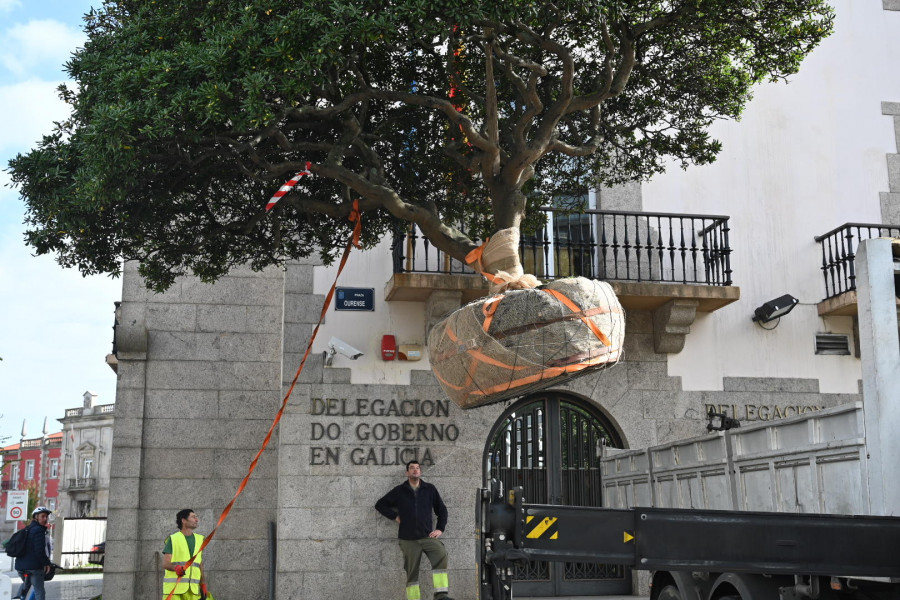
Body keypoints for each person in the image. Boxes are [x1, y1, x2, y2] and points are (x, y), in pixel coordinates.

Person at [376, 461, 453, 600]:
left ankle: (441, 595)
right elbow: (380, 504)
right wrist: (395, 516)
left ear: (420, 472)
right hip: (408, 539)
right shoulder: (399, 491)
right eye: (412, 468)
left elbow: (442, 510)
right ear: (407, 473)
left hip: (427, 536)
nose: (415, 470)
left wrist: (440, 529)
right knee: (412, 573)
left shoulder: (429, 489)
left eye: (417, 468)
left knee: (441, 554)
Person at [161, 509, 210, 600]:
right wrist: (176, 568)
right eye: (193, 517)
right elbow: (165, 563)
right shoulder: (173, 539)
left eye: (196, 517)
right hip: (174, 591)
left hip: (193, 591)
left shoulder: (200, 540)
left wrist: (203, 584)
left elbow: (199, 564)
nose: (197, 519)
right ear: (183, 520)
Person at [13, 506, 53, 600]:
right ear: (36, 517)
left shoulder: (27, 529)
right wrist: (47, 563)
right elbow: (39, 551)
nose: (45, 519)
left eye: (46, 517)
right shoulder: (39, 530)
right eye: (42, 516)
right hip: (34, 568)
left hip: (21, 566)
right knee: (39, 591)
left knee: (25, 587)